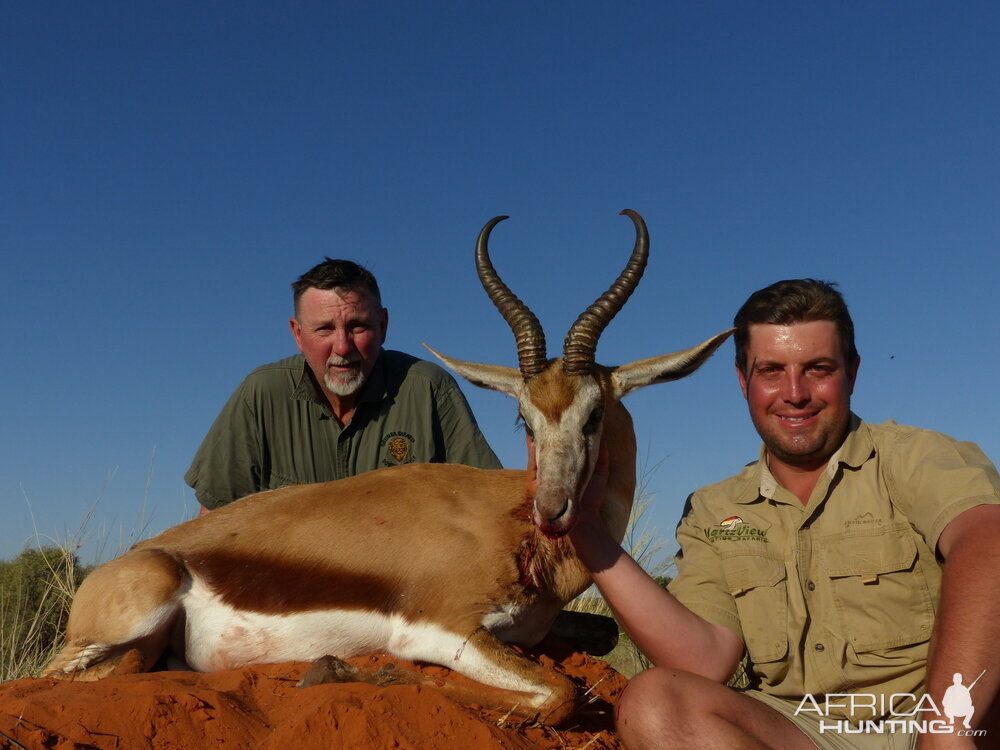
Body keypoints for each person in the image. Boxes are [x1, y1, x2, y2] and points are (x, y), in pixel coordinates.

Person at [568, 279, 1000, 749]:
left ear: (852, 373)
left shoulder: (914, 457)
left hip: (935, 725)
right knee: (653, 704)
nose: (794, 393)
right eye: (771, 371)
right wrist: (587, 528)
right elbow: (702, 661)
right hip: (800, 730)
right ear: (743, 381)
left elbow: (989, 542)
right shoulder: (716, 509)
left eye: (818, 369)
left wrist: (945, 730)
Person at [186, 258, 501, 512]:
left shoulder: (429, 387)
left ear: (383, 326)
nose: (342, 347)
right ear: (297, 334)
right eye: (324, 329)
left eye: (358, 327)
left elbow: (490, 504)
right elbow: (214, 521)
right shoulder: (260, 393)